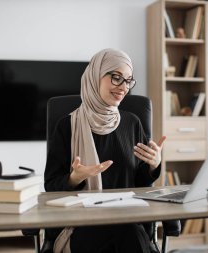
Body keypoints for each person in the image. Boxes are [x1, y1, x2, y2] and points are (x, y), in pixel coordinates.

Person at [44, 48, 166, 253]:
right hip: (83, 222)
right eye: (116, 77)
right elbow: (51, 185)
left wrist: (154, 164)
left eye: (128, 80)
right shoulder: (67, 126)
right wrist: (75, 178)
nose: (123, 87)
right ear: (95, 77)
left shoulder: (132, 123)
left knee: (130, 235)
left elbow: (141, 182)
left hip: (127, 220)